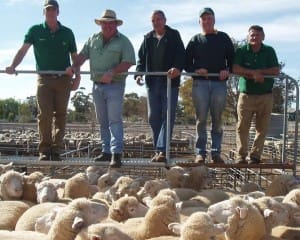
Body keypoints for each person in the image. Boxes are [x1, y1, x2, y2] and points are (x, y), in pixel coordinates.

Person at [6, 0, 80, 161]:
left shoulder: (67, 32)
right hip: (44, 79)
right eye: (48, 10)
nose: (51, 12)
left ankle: (57, 150)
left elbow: (75, 57)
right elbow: (23, 50)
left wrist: (77, 77)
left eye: (53, 10)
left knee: (61, 114)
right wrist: (13, 65)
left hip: (64, 79)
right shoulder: (35, 30)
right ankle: (45, 150)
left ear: (58, 12)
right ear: (43, 12)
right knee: (44, 114)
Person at [66, 9, 135, 168]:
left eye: (110, 23)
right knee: (102, 121)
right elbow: (82, 56)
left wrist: (112, 71)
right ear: (101, 24)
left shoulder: (123, 41)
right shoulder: (93, 39)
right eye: (104, 23)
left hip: (115, 85)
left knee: (114, 120)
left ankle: (116, 154)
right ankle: (106, 151)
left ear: (115, 25)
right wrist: (74, 67)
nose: (107, 26)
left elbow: (129, 62)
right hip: (97, 86)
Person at [135, 10, 185, 163]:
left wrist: (177, 68)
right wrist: (139, 73)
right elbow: (141, 58)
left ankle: (162, 150)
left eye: (158, 19)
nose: (156, 22)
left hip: (169, 81)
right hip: (152, 82)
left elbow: (181, 54)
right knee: (153, 117)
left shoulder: (174, 35)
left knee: (167, 115)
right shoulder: (148, 38)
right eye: (153, 20)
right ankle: (159, 150)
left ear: (164, 20)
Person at [185, 7, 234, 164]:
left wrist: (227, 70)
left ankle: (216, 153)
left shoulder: (223, 38)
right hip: (200, 84)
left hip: (219, 84)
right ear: (199, 22)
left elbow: (232, 59)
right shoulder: (195, 40)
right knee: (201, 119)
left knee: (217, 118)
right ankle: (200, 153)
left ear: (214, 20)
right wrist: (196, 71)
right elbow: (186, 62)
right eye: (203, 19)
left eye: (209, 18)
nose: (206, 21)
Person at [233, 25, 280, 164]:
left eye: (257, 35)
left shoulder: (269, 51)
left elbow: (276, 70)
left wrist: (260, 73)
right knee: (242, 127)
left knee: (262, 127)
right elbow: (235, 68)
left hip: (266, 96)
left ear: (263, 37)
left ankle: (255, 156)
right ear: (248, 37)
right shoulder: (241, 51)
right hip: (246, 95)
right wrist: (253, 74)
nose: (254, 37)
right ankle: (241, 156)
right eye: (252, 35)